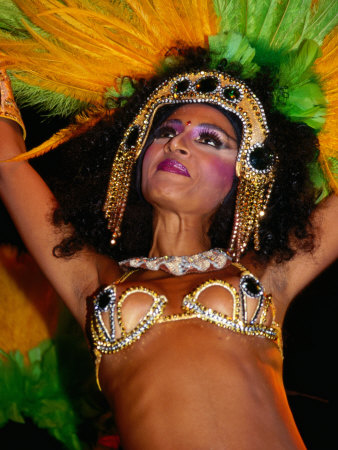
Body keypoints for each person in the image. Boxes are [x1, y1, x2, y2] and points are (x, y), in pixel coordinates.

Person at [0, 1, 337, 448]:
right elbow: (8, 167)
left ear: (245, 177)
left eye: (210, 140)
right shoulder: (95, 283)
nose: (177, 143)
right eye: (165, 130)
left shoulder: (267, 274)